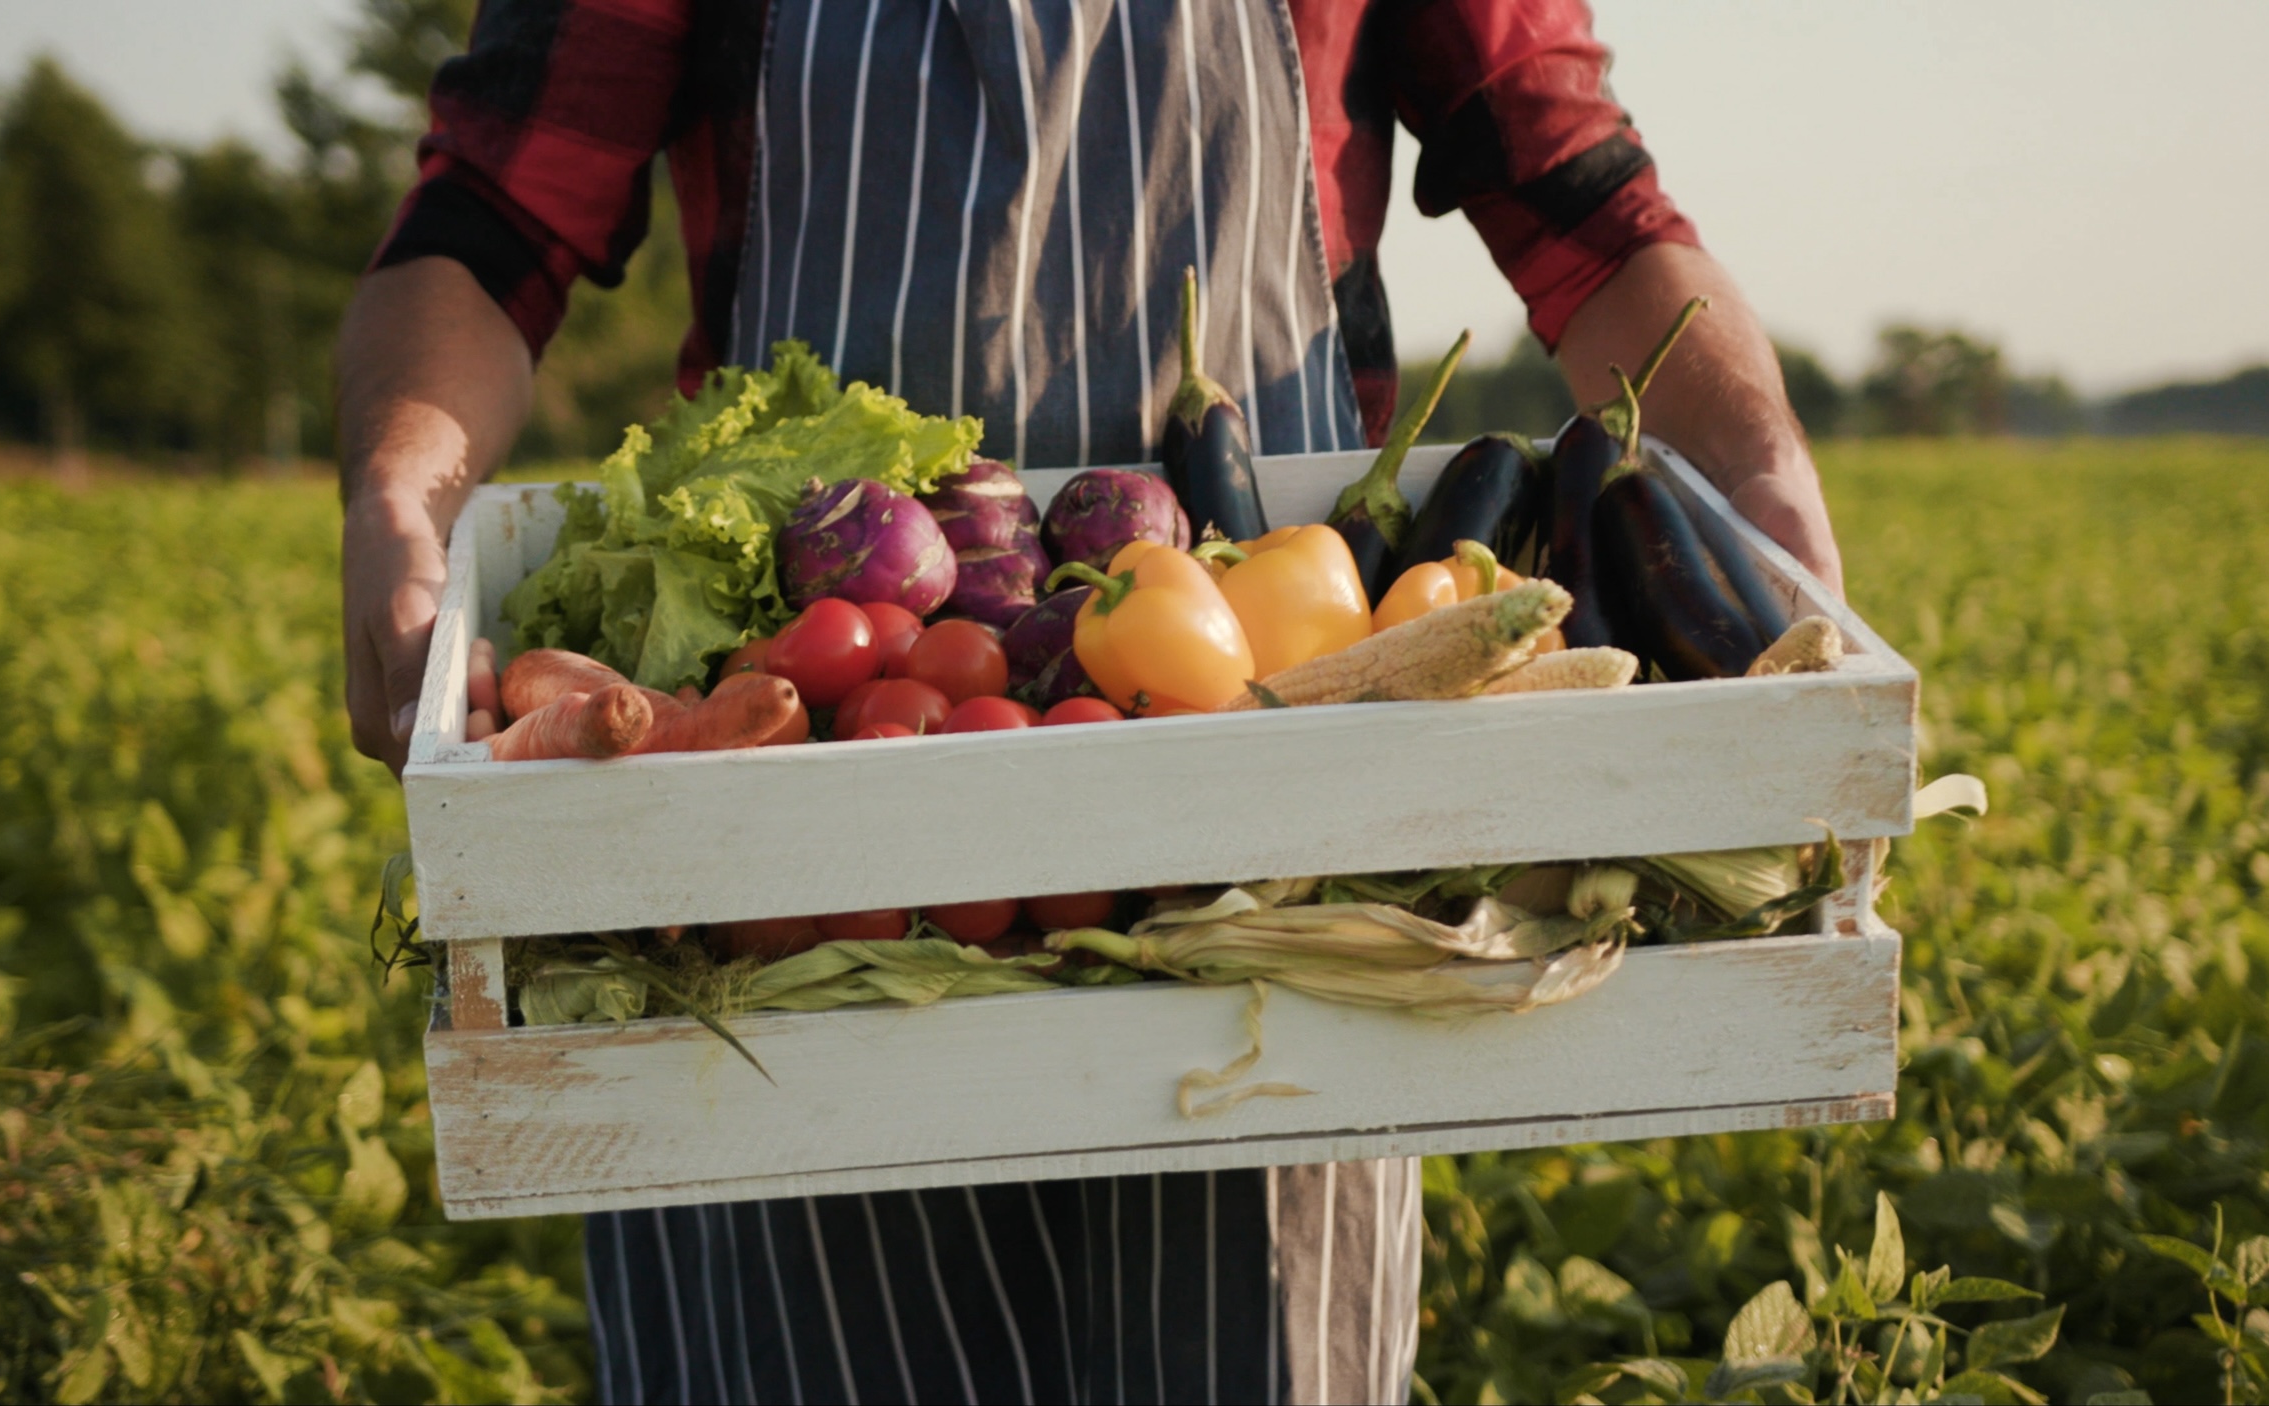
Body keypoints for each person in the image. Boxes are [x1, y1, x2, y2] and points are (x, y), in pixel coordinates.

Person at [337, 0, 1843, 1400]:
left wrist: (1762, 471)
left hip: (1279, 867)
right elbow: (492, 222)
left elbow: (1588, 203)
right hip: (803, 842)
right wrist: (404, 491)